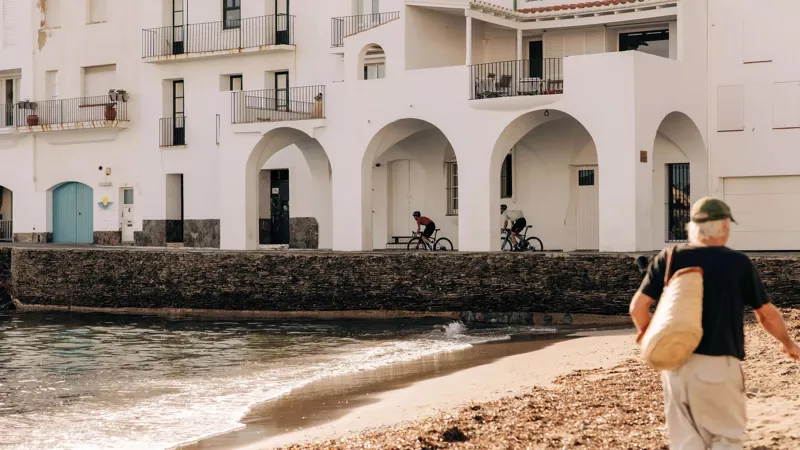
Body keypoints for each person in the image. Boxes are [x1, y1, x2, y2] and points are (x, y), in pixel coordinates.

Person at [630, 197, 800, 449]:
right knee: (725, 437)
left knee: (686, 441)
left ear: (693, 227)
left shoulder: (669, 257)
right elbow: (766, 314)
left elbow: (638, 308)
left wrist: (654, 341)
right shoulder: (737, 263)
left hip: (675, 365)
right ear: (723, 227)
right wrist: (788, 343)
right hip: (717, 364)